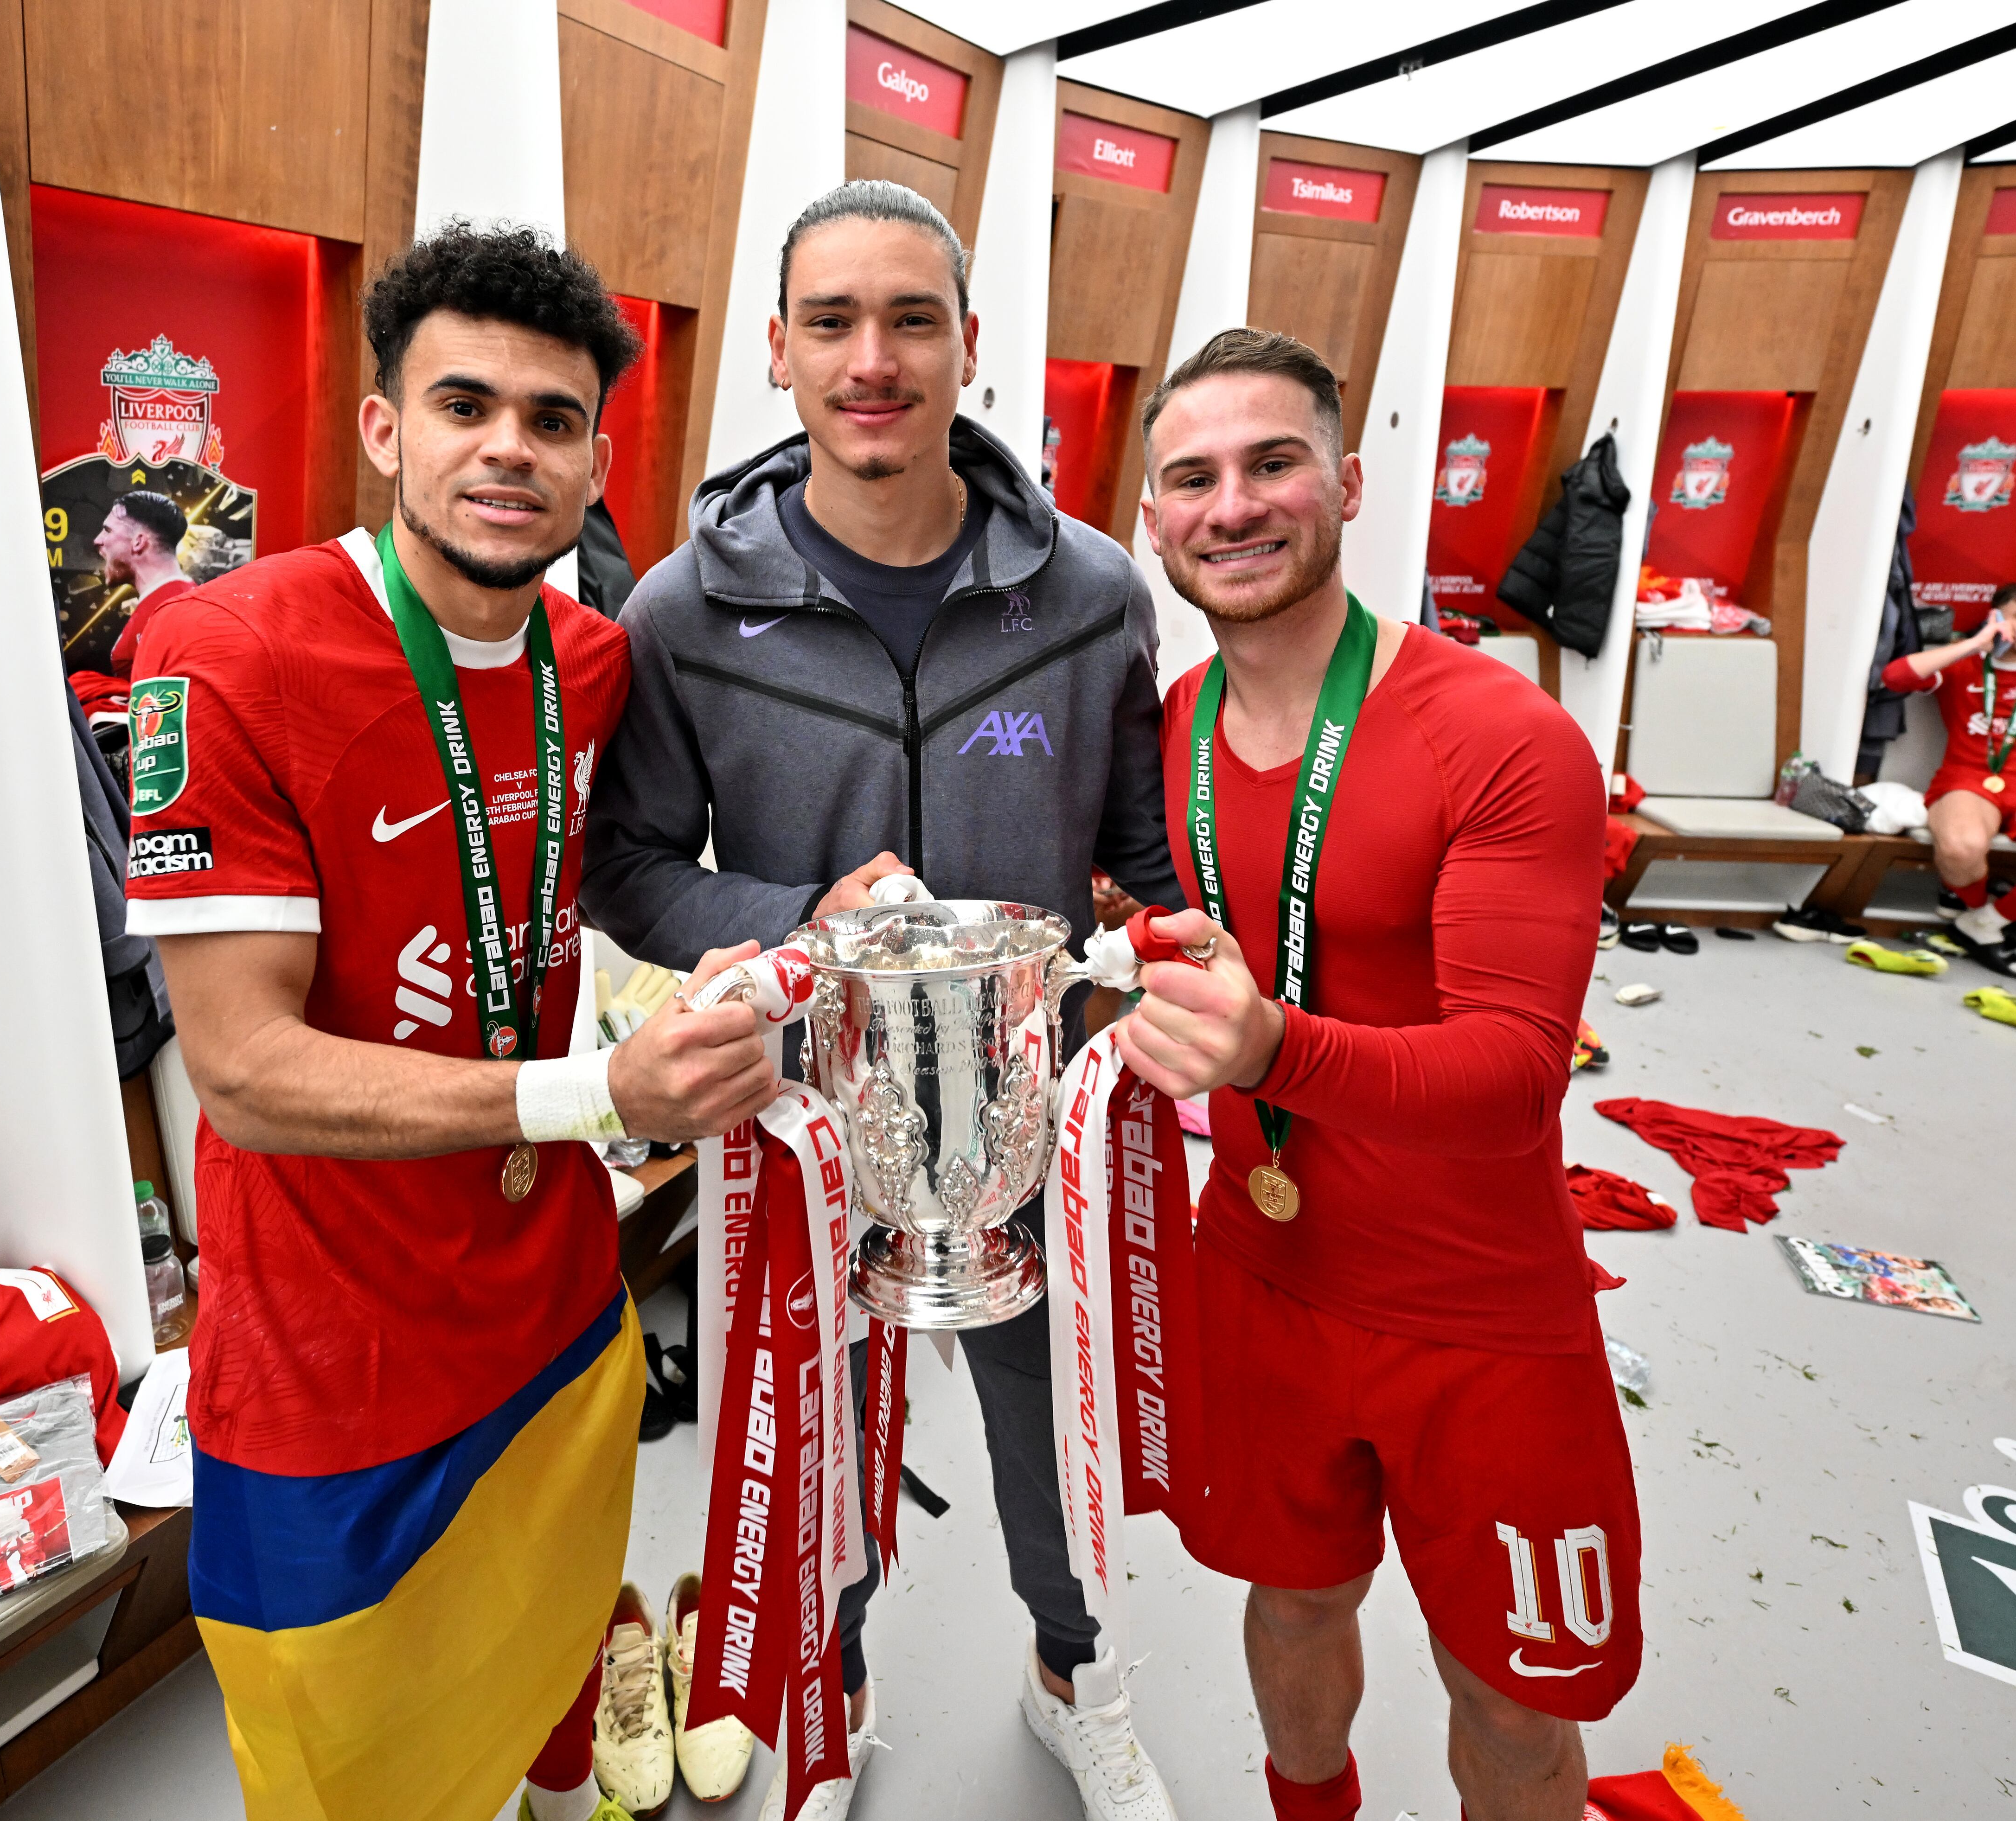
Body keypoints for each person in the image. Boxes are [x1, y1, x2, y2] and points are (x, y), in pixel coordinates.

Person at [125, 223, 778, 1821]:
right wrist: (597, 1090)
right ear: (383, 429)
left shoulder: (590, 660)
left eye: (551, 420)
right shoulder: (222, 656)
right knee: (351, 1767)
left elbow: (624, 875)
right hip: (333, 1360)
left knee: (552, 1641)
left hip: (554, 1300)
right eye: (464, 404)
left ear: (594, 459)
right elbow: (246, 1072)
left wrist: (801, 928)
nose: (508, 448)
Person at [583, 180, 1185, 1821]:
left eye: (912, 319)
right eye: (833, 321)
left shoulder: (1091, 595)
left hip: (1032, 1120)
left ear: (969, 347)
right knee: (809, 1439)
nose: (874, 358)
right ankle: (826, 1704)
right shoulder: (685, 612)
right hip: (803, 1132)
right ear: (775, 351)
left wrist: (1166, 943)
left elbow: (1140, 854)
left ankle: (1076, 1681)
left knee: (1051, 1440)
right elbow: (627, 862)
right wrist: (804, 921)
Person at [1120, 328, 1640, 1821]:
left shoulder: (1500, 739)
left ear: (1345, 482)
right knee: (1289, 1608)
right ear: (1152, 519)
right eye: (1192, 478)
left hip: (1475, 1309)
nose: (1232, 506)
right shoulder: (1171, 727)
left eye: (1271, 463)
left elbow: (1508, 1077)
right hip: (1265, 1277)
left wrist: (1269, 1047)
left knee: (1510, 1701)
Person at [1878, 589, 2016, 971]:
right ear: (1995, 619)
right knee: (1960, 847)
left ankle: (1984, 924)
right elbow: (1895, 677)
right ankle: (1975, 908)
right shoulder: (1967, 664)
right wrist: (1974, 644)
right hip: (1969, 779)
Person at [98, 489, 195, 678]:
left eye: (108, 531)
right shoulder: (170, 602)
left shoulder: (171, 610)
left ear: (138, 542)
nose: (98, 540)